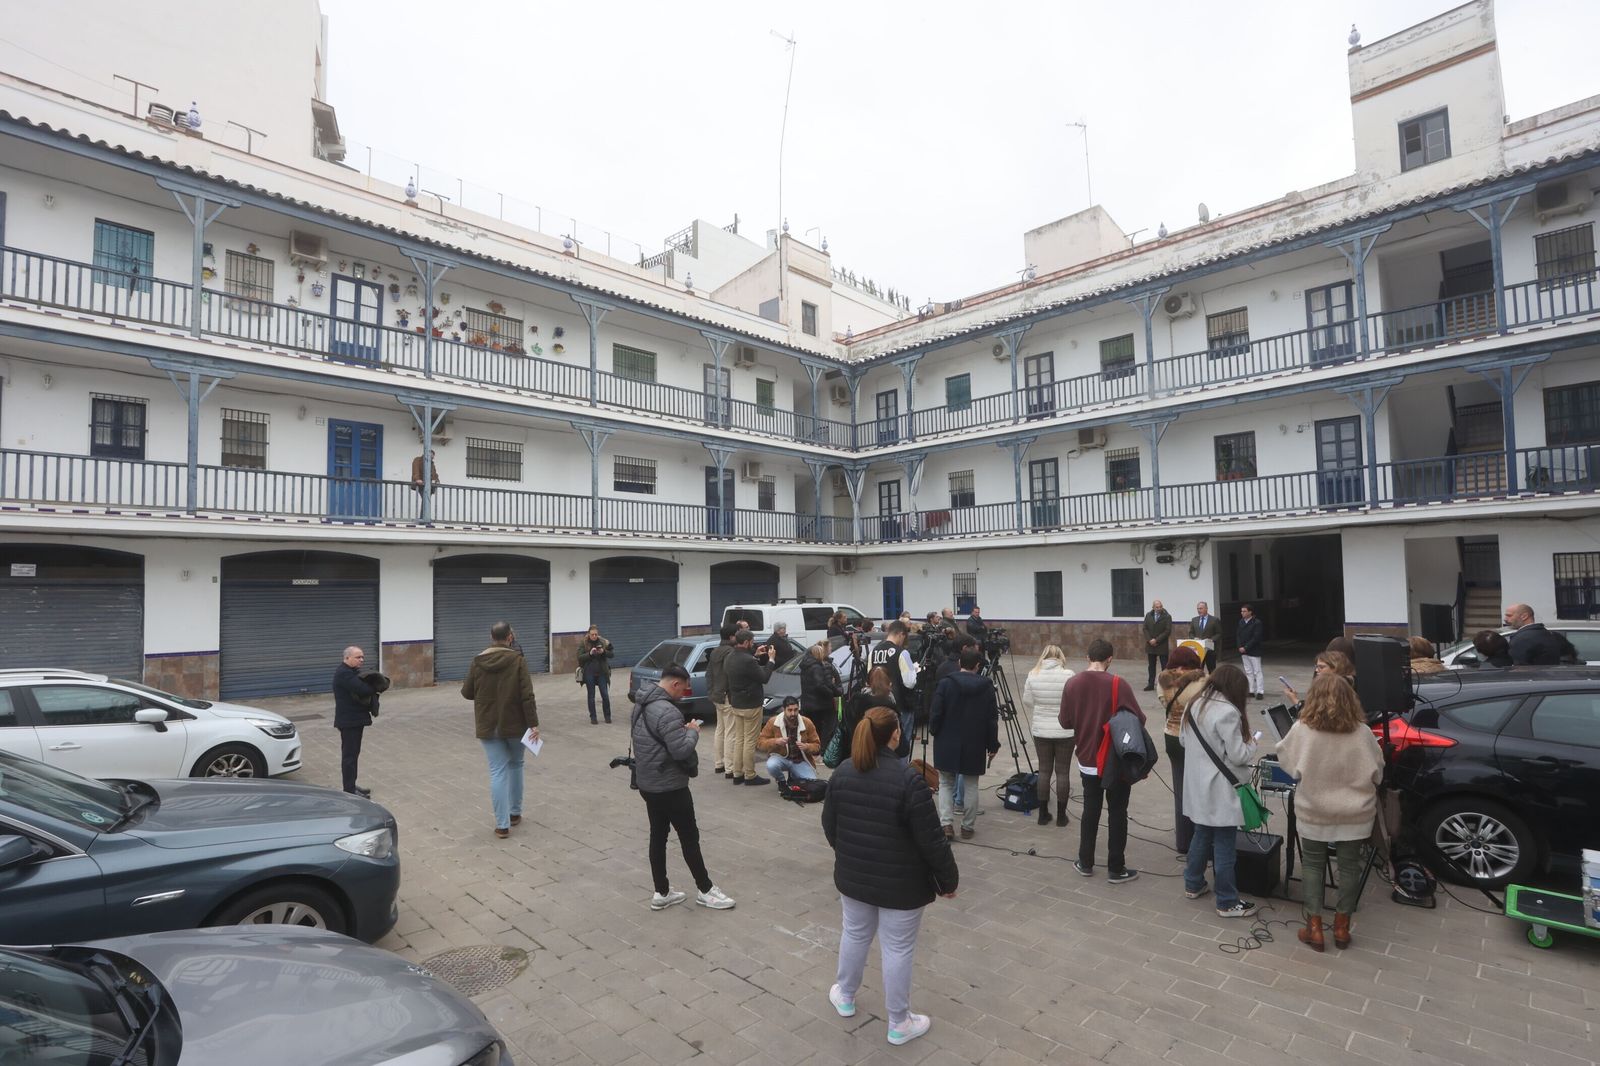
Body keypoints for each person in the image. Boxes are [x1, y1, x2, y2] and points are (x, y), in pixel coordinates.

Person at [821, 706, 958, 1047]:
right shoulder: (908, 779)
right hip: (901, 886)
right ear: (895, 734)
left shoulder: (843, 772)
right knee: (896, 949)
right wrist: (948, 881)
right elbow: (932, 839)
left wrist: (849, 854)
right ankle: (898, 1022)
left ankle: (846, 994)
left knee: (855, 934)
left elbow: (830, 827)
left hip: (854, 878)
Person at [1275, 674, 1384, 952]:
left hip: (1314, 808)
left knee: (1312, 865)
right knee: (1349, 867)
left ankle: (1314, 927)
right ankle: (1341, 926)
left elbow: (1286, 761)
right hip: (1355, 813)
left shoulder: (1302, 729)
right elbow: (1378, 772)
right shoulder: (1362, 732)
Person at [632, 664, 735, 912]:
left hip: (648, 783)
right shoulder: (667, 711)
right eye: (684, 688)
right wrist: (692, 732)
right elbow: (680, 750)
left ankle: (661, 891)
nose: (684, 693)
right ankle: (706, 889)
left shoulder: (641, 703)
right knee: (689, 838)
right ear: (674, 684)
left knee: (658, 836)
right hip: (670, 786)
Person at [1060, 639, 1146, 883]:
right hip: (1115, 760)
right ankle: (1116, 868)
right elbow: (1139, 718)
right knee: (1118, 811)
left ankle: (1085, 862)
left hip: (1087, 758)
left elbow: (1065, 722)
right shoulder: (1119, 683)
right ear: (1110, 659)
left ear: (1088, 657)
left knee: (1090, 810)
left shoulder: (1072, 683)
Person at [1180, 664, 1259, 918]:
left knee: (1201, 833)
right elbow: (1237, 755)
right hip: (1220, 788)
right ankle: (1226, 900)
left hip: (1197, 785)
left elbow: (1183, 740)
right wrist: (1252, 744)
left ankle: (1193, 883)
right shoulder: (1227, 711)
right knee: (1225, 843)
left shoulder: (1194, 703)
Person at [461, 621, 539, 839]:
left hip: (488, 724)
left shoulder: (477, 661)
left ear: (491, 636)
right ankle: (515, 813)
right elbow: (527, 695)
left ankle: (502, 825)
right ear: (510, 637)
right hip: (515, 724)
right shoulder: (518, 661)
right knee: (516, 765)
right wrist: (534, 724)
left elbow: (467, 692)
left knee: (497, 771)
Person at [928, 647, 1000, 840]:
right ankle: (967, 827)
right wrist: (993, 745)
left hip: (946, 741)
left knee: (945, 783)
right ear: (977, 665)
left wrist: (934, 731)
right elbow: (991, 719)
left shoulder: (945, 684)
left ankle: (946, 825)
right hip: (974, 742)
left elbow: (935, 712)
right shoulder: (986, 686)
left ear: (960, 663)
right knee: (971, 785)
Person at [1157, 644, 1206, 856]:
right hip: (1193, 739)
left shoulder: (1163, 682)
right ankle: (1199, 835)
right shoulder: (1201, 683)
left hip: (1171, 736)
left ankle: (1183, 840)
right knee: (1197, 788)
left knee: (1180, 788)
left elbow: (1162, 702)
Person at [1022, 644, 1075, 827]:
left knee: (1044, 770)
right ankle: (1061, 816)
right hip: (1065, 730)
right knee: (1063, 772)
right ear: (1060, 656)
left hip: (1041, 729)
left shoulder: (1033, 674)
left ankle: (1042, 814)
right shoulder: (1069, 675)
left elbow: (1027, 701)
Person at [723, 630, 775, 785]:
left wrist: (755, 655)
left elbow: (744, 666)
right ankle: (750, 775)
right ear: (746, 642)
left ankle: (737, 773)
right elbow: (764, 677)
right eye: (752, 642)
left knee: (740, 739)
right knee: (750, 742)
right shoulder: (748, 660)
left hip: (736, 702)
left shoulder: (730, 656)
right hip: (751, 704)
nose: (753, 644)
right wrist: (771, 660)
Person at [332, 646, 378, 797]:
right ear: (347, 658)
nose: (362, 660)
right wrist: (373, 685)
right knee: (349, 757)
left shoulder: (350, 672)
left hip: (354, 720)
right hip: (349, 721)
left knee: (353, 754)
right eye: (358, 657)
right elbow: (364, 689)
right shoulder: (344, 674)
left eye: (362, 657)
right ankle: (349, 790)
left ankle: (352, 785)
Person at [869, 620, 920, 754]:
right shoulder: (902, 653)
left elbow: (870, 677)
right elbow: (910, 682)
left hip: (877, 705)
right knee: (900, 745)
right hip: (900, 705)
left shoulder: (874, 652)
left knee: (879, 743)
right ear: (901, 634)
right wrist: (914, 671)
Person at [758, 695, 821, 788]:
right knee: (771, 765)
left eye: (796, 710)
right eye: (790, 710)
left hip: (800, 761)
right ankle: (781, 781)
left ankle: (794, 777)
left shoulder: (807, 722)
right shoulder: (773, 722)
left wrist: (807, 747)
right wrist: (775, 741)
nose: (793, 713)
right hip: (781, 758)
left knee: (812, 782)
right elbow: (760, 743)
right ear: (784, 709)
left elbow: (817, 746)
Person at [706, 624, 737, 778]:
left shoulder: (715, 651)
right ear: (731, 637)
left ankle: (719, 763)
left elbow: (709, 675)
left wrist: (711, 693)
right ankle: (730, 768)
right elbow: (730, 675)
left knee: (720, 729)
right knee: (731, 732)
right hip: (727, 696)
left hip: (717, 695)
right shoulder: (731, 652)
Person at [800, 641, 845, 745]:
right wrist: (837, 692)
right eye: (830, 646)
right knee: (831, 726)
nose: (831, 648)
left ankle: (818, 749)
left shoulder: (808, 665)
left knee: (816, 728)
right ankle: (824, 749)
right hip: (829, 701)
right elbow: (827, 684)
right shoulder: (822, 666)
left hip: (811, 703)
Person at [1504, 603, 1574, 665]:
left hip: (1531, 678)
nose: (1505, 619)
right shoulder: (1551, 634)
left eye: (1509, 616)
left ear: (1524, 616)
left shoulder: (1522, 639)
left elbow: (1517, 667)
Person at [1280, 649, 1356, 706]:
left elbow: (1315, 715)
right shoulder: (1347, 682)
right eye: (1316, 666)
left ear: (1335, 668)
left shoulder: (1337, 687)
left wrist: (1294, 699)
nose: (1316, 670)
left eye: (1321, 667)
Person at [578, 624, 615, 724]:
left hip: (602, 673)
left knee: (605, 695)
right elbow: (579, 657)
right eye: (592, 634)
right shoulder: (584, 643)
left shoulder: (602, 641)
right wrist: (590, 654)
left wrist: (603, 652)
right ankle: (593, 717)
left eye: (596, 634)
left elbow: (612, 654)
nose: (594, 636)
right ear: (588, 634)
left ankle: (607, 716)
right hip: (589, 673)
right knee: (591, 696)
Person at [1142, 599, 1171, 691]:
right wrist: (1150, 639)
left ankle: (1165, 684)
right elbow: (1145, 628)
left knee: (1164, 665)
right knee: (1151, 665)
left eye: (1160, 607)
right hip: (1150, 644)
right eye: (1157, 607)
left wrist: (1156, 640)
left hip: (1161, 644)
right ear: (1153, 607)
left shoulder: (1167, 616)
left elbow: (1167, 631)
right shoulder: (1148, 615)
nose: (1159, 609)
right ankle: (1150, 684)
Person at [1236, 604, 1265, 699]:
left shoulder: (1256, 622)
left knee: (1257, 671)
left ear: (1250, 612)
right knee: (1248, 671)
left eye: (1244, 611)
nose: (1242, 613)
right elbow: (1238, 635)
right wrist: (1240, 646)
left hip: (1254, 650)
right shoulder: (1241, 622)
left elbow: (1256, 637)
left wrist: (1246, 647)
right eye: (1241, 611)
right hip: (1243, 651)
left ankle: (1260, 691)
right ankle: (1251, 690)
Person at [1189, 602, 1220, 673]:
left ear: (1206, 609)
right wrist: (1194, 638)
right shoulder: (1194, 620)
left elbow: (1219, 633)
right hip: (1198, 650)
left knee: (1212, 670)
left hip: (1210, 650)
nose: (1199, 610)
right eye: (1198, 609)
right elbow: (1191, 633)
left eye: (1201, 608)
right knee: (1198, 671)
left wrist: (1211, 639)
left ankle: (1212, 683)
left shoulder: (1214, 620)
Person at [410, 450, 440, 514]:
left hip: (429, 486)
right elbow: (415, 470)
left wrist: (437, 480)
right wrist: (417, 479)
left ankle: (423, 518)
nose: (432, 459)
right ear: (426, 455)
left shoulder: (431, 464)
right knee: (426, 501)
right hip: (421, 484)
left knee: (426, 502)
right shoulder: (418, 460)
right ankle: (424, 519)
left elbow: (434, 474)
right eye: (431, 457)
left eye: (432, 458)